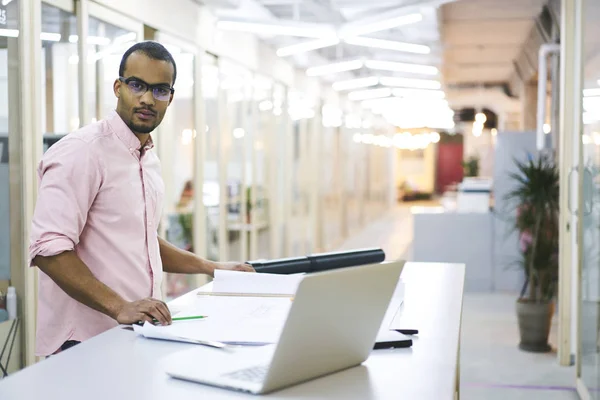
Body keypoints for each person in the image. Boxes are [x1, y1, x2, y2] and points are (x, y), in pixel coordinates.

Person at [29, 41, 254, 357]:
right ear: (118, 87)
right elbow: (47, 250)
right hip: (83, 340)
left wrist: (212, 266)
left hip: (137, 333)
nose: (148, 98)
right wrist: (119, 306)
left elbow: (142, 238)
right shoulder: (81, 152)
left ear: (170, 98)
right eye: (137, 85)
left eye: (160, 90)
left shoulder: (147, 158)